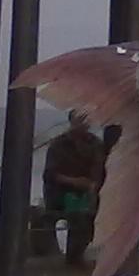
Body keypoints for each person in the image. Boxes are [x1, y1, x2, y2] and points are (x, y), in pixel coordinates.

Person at [42, 108, 105, 266]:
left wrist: (92, 186)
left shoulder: (96, 144)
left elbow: (100, 172)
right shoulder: (58, 145)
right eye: (80, 119)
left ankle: (84, 252)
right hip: (60, 193)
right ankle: (74, 257)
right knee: (79, 214)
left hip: (87, 193)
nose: (84, 123)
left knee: (95, 211)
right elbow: (50, 175)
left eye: (87, 119)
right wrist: (74, 181)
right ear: (72, 121)